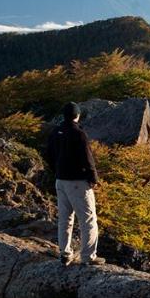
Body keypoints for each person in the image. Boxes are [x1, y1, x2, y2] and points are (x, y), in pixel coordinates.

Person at [44, 102, 101, 265]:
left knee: (65, 219)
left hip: (60, 181)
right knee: (88, 219)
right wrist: (93, 179)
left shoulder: (56, 131)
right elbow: (87, 158)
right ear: (77, 115)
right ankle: (88, 257)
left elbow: (48, 154)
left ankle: (65, 253)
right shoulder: (78, 133)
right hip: (77, 182)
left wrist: (57, 170)